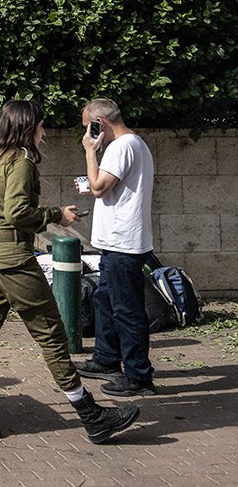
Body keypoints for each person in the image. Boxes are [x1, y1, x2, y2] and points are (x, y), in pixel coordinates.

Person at [0, 99, 139, 444]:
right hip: (12, 257)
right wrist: (55, 216)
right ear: (26, 127)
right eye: (40, 126)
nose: (44, 132)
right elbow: (18, 213)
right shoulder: (20, 162)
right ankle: (91, 415)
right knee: (52, 333)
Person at [75, 98, 157, 397]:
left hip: (124, 243)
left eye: (90, 127)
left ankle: (138, 375)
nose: (88, 133)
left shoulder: (121, 147)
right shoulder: (135, 144)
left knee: (127, 310)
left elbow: (98, 187)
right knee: (105, 301)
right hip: (118, 242)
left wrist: (89, 152)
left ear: (101, 123)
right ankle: (107, 358)